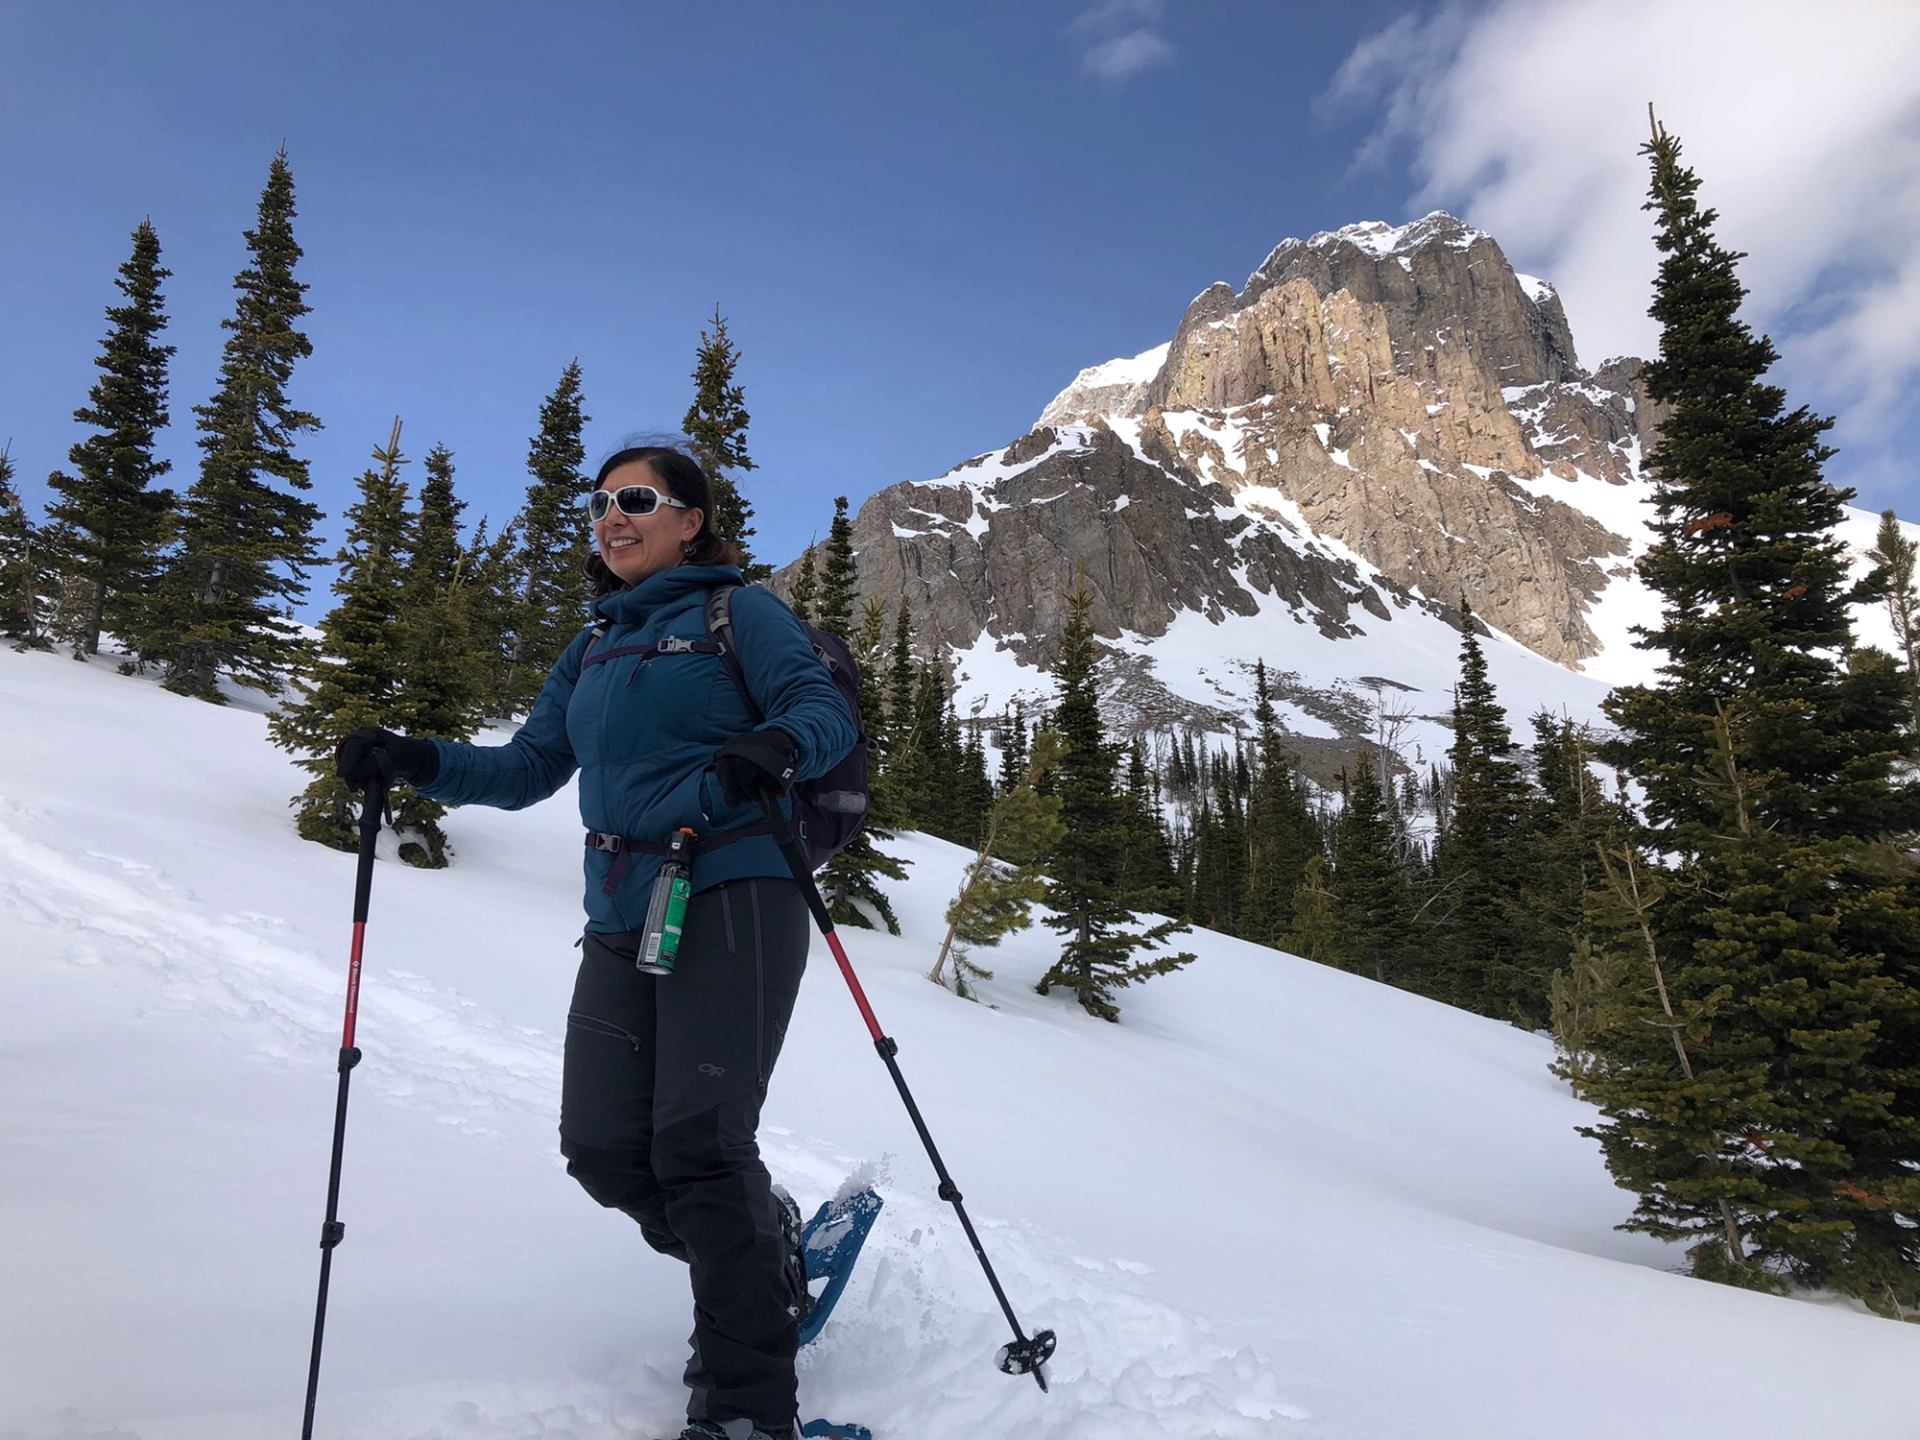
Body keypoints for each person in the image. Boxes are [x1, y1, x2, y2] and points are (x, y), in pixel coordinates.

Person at [335, 443, 858, 1440]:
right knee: (606, 1152)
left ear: (692, 519)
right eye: (600, 504)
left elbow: (819, 708)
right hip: (622, 905)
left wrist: (777, 745)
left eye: (636, 499)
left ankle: (745, 1412)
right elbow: (529, 766)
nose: (610, 517)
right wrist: (417, 759)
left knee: (701, 1150)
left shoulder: (737, 613)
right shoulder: (596, 643)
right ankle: (761, 1244)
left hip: (733, 889)